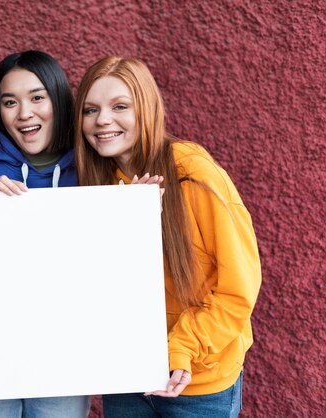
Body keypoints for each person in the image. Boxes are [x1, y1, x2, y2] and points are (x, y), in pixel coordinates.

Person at [74, 56, 261, 417]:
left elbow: (239, 287)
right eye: (90, 109)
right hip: (128, 379)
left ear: (147, 109)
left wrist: (182, 348)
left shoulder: (193, 173)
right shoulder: (97, 187)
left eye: (120, 107)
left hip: (198, 384)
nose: (102, 120)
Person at [0, 50, 90, 418]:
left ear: (58, 100)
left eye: (37, 97)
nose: (24, 113)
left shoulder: (90, 162)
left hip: (65, 353)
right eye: (9, 102)